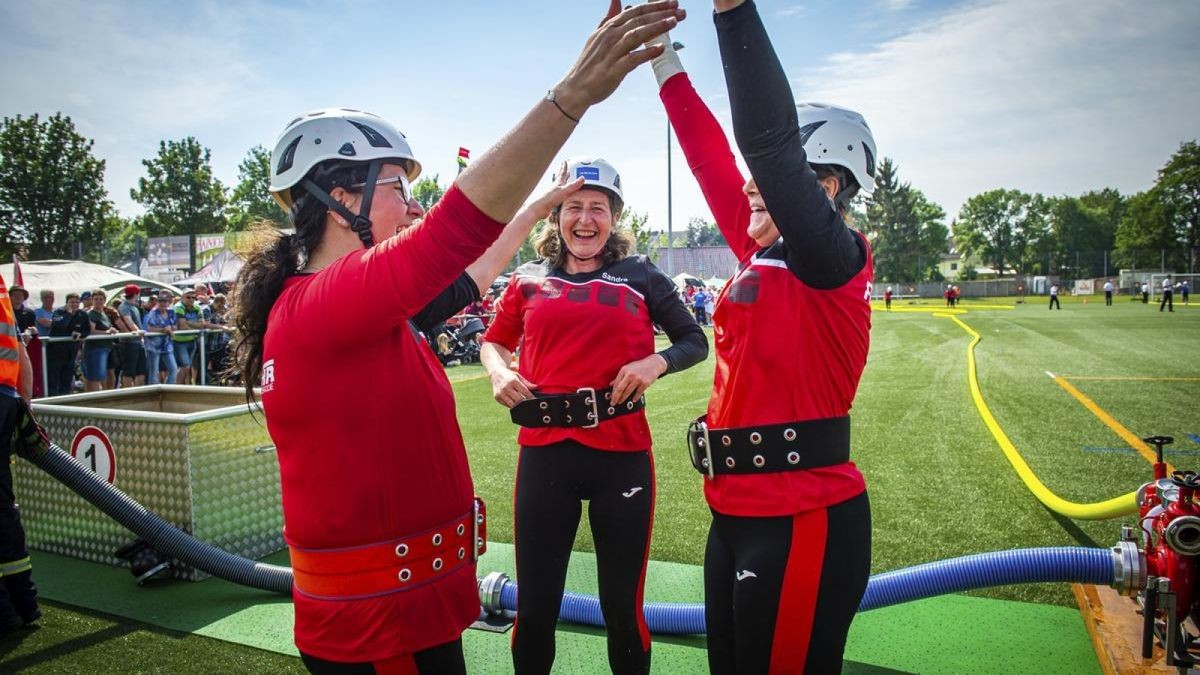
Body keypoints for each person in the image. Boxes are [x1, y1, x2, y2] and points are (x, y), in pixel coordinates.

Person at [227, 5, 686, 672]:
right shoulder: (328, 301)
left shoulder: (353, 310)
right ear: (339, 198)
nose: (413, 204)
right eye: (396, 188)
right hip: (386, 628)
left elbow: (470, 269)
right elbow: (453, 229)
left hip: (400, 614)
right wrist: (572, 96)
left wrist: (534, 208)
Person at [650, 3, 874, 670]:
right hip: (735, 512)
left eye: (770, 175)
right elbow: (707, 153)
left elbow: (767, 143)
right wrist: (661, 56)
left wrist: (732, 11)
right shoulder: (760, 252)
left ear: (824, 185)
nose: (748, 183)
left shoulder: (830, 259)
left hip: (802, 514)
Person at [481, 157, 706, 674]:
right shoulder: (528, 278)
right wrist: (497, 371)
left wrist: (656, 362)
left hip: (622, 458)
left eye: (597, 208)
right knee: (535, 609)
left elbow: (694, 340)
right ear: (556, 217)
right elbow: (493, 341)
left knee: (622, 610)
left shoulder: (641, 274)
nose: (585, 219)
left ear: (614, 218)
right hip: (544, 458)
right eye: (573, 207)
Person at [0, 271, 45, 635]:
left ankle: (4, 612)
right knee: (2, 504)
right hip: (7, 400)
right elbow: (20, 353)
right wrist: (23, 409)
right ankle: (24, 604)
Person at [47, 292, 90, 396]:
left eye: (76, 302)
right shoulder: (59, 312)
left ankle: (64, 404)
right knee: (53, 380)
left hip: (71, 353)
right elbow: (59, 326)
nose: (74, 304)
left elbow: (87, 330)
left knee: (66, 381)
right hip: (55, 352)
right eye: (71, 302)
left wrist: (80, 334)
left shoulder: (82, 314)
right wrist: (69, 314)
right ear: (67, 303)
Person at [172, 289, 212, 384]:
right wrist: (194, 325)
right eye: (188, 297)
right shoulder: (178, 307)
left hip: (192, 341)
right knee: (185, 366)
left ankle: (181, 387)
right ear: (182, 297)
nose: (191, 299)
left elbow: (202, 324)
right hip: (179, 342)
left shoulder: (197, 307)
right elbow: (182, 326)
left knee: (187, 367)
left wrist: (188, 322)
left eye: (193, 297)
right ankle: (176, 388)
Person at [83, 289, 118, 392]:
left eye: (101, 299)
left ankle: (109, 397)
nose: (98, 301)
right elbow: (91, 331)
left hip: (107, 348)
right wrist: (106, 332)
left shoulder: (104, 314)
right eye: (96, 299)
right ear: (92, 300)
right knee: (96, 377)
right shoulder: (91, 314)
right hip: (95, 349)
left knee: (110, 374)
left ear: (104, 300)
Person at [143, 290, 178, 385]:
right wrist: (163, 330)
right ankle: (153, 394)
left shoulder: (171, 311)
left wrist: (170, 328)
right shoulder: (153, 312)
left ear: (169, 302)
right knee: (154, 371)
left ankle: (168, 390)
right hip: (153, 345)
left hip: (167, 345)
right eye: (161, 301)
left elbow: (175, 325)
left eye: (165, 301)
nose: (163, 303)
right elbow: (150, 328)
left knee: (173, 369)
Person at [116, 285, 148, 388]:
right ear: (136, 294)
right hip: (128, 343)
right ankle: (129, 393)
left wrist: (140, 336)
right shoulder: (124, 306)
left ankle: (139, 393)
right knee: (129, 371)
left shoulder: (134, 307)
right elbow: (128, 320)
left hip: (138, 342)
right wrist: (138, 331)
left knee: (141, 370)